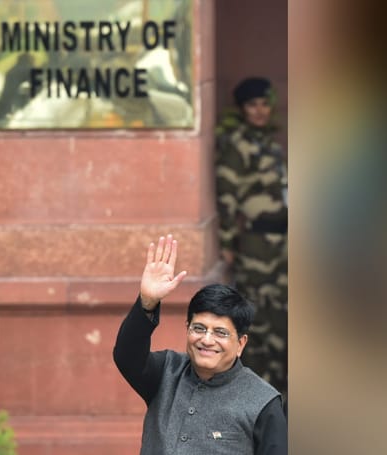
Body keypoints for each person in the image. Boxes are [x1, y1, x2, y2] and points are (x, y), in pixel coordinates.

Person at [113, 234, 287, 455]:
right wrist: (148, 302)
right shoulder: (166, 372)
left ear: (240, 343)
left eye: (220, 332)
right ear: (187, 329)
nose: (206, 340)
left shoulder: (263, 402)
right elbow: (127, 356)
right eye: (199, 328)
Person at [214, 77, 288, 399]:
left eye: (263, 104)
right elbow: (227, 197)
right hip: (256, 245)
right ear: (242, 109)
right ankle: (256, 395)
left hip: (282, 245)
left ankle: (280, 394)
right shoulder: (237, 145)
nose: (259, 111)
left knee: (282, 318)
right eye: (252, 105)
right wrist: (228, 242)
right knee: (256, 319)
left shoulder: (270, 144)